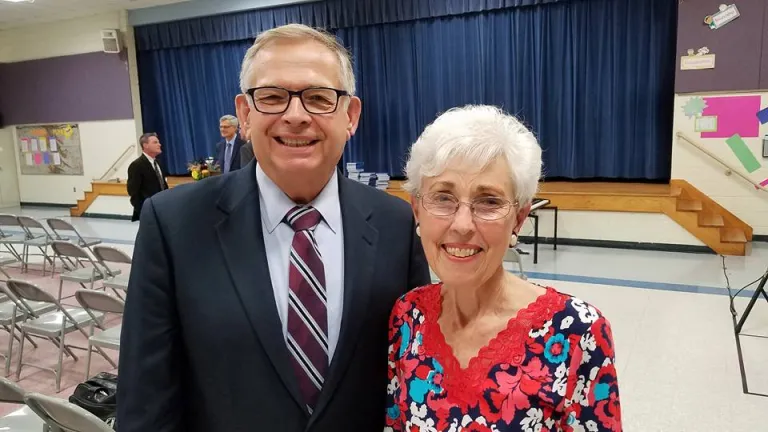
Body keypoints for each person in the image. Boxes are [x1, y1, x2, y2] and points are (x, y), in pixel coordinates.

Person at [117, 24, 430, 432]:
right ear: (245, 114)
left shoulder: (397, 223)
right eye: (272, 97)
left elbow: (412, 380)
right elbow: (146, 399)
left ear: (350, 116)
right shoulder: (173, 224)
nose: (295, 116)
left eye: (318, 98)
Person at [385, 106, 621, 431]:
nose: (463, 225)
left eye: (489, 202)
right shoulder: (407, 317)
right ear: (416, 212)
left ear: (519, 219)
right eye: (442, 198)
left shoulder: (578, 334)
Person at [126, 132, 167, 222]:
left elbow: (163, 185)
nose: (159, 145)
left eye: (158, 142)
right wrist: (143, 212)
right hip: (148, 211)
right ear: (145, 145)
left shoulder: (159, 163)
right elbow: (133, 192)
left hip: (162, 208)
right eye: (155, 142)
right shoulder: (136, 165)